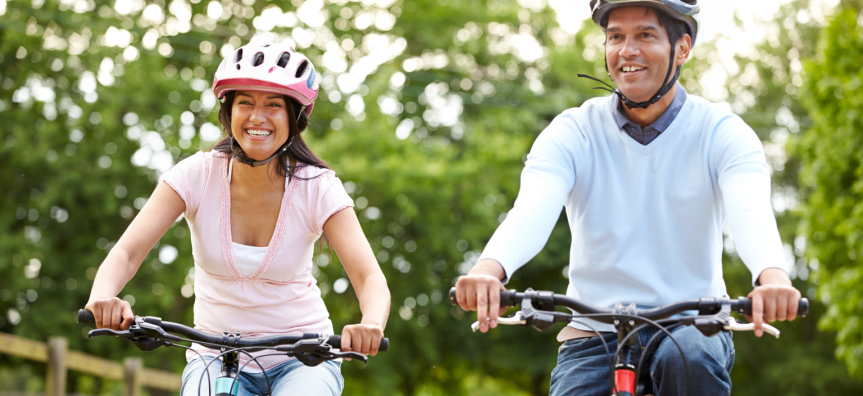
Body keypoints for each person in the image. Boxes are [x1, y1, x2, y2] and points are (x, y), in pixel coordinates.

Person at [454, 1, 802, 395]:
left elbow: (750, 212)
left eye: (645, 35)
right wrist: (489, 271)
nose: (627, 50)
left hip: (691, 326)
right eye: (615, 36)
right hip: (594, 333)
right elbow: (532, 210)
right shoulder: (574, 131)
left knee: (687, 359)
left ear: (683, 49)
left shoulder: (721, 132)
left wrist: (772, 278)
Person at [84, 43, 390, 396]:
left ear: (295, 117)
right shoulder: (195, 175)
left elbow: (369, 278)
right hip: (213, 356)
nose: (258, 117)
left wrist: (370, 325)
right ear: (229, 111)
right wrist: (103, 297)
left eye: (273, 105)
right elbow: (127, 252)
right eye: (246, 102)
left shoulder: (318, 187)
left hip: (303, 358)